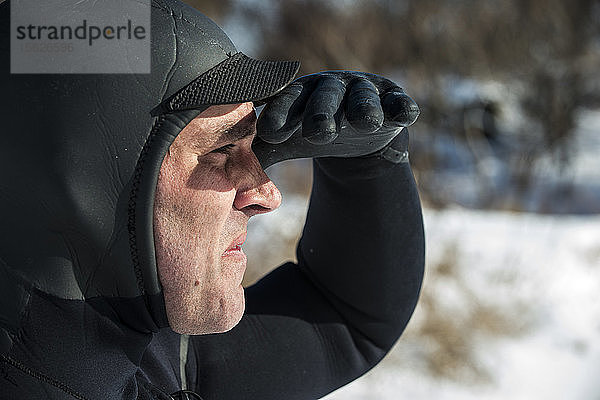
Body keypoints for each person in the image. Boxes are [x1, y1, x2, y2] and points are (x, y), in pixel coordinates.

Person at [0, 0, 425, 399]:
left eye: (253, 150)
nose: (267, 195)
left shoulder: (147, 356)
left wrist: (370, 161)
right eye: (220, 153)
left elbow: (343, 323)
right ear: (87, 184)